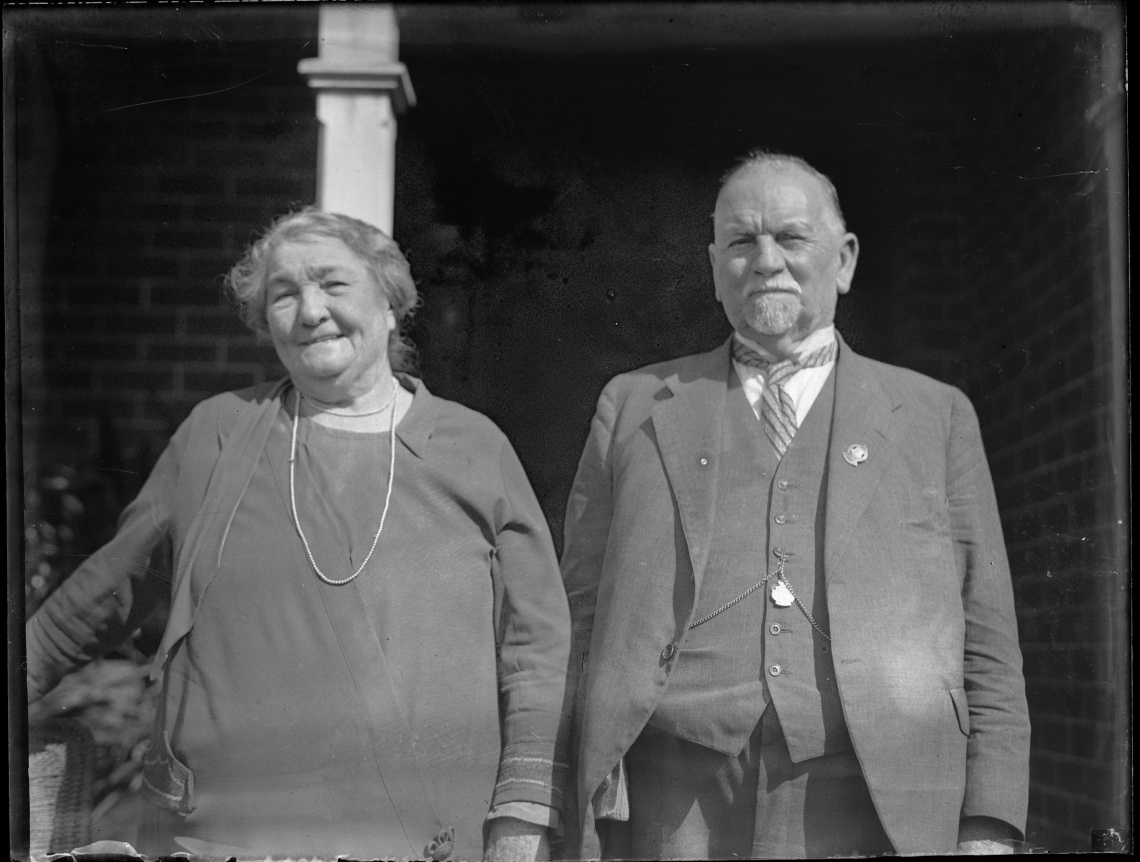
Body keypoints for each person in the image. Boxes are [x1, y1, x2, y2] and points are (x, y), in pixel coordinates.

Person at [26, 209, 570, 861]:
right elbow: (93, 603)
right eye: (284, 294)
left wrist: (521, 818)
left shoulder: (472, 447)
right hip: (217, 838)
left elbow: (536, 646)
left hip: (419, 841)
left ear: (392, 303)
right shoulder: (217, 433)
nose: (309, 310)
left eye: (332, 285)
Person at [559, 152, 1031, 858]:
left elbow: (988, 638)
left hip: (868, 796)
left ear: (842, 261)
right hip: (674, 797)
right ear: (715, 265)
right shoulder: (632, 407)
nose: (766, 260)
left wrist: (991, 821)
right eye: (742, 242)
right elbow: (580, 619)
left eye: (791, 237)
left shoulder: (935, 417)